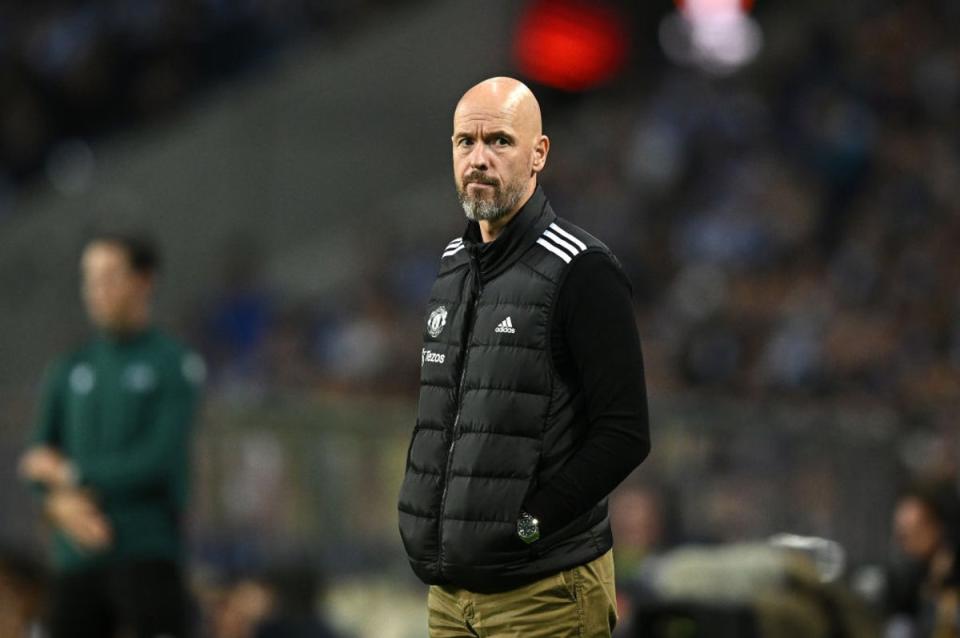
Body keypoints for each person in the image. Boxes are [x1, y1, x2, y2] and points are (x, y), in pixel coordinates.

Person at [397, 77, 651, 637]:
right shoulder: (453, 264)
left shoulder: (582, 270)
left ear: (539, 154)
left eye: (500, 142)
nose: (479, 159)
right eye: (466, 142)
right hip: (450, 597)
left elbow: (625, 432)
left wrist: (531, 526)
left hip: (545, 594)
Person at [19, 232, 204, 638]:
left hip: (146, 552)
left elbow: (158, 460)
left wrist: (71, 476)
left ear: (144, 281)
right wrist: (56, 505)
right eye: (90, 279)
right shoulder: (69, 368)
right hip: (77, 558)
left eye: (109, 277)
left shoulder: (173, 363)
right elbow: (36, 460)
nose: (95, 291)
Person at [887, 481, 960, 638]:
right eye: (901, 534)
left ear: (937, 526)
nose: (905, 542)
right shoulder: (909, 578)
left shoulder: (952, 570)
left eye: (914, 531)